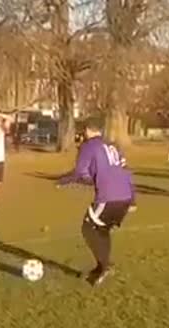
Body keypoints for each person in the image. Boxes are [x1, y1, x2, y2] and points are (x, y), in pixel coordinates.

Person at [57, 116, 136, 286]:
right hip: (125, 196)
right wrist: (133, 200)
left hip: (109, 196)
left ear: (87, 130)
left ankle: (105, 266)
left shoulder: (88, 146)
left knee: (88, 228)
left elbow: (79, 173)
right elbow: (126, 171)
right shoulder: (113, 146)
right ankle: (101, 266)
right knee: (102, 230)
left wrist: (62, 180)